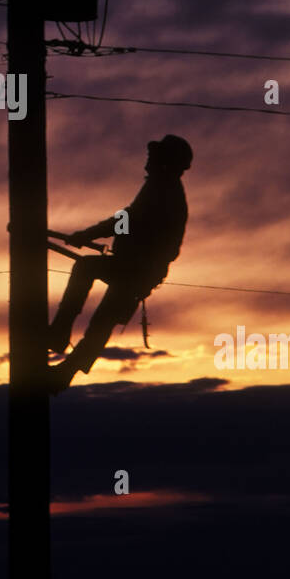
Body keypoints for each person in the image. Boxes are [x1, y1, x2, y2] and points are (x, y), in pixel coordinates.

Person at [47, 134, 192, 393]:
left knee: (89, 278)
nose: (149, 159)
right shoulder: (160, 188)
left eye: (155, 155)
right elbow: (128, 220)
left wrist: (86, 235)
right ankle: (65, 365)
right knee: (103, 320)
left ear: (166, 162)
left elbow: (125, 220)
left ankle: (60, 338)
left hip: (137, 270)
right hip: (136, 269)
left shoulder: (163, 191)